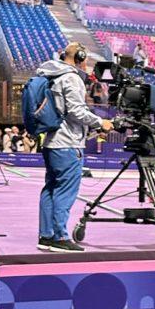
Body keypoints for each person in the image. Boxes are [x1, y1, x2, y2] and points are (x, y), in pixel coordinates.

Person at [35, 44, 114, 252]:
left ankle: (46, 236)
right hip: (68, 143)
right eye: (85, 59)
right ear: (80, 57)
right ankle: (60, 237)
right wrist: (100, 122)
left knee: (50, 189)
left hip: (52, 142)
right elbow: (76, 112)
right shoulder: (71, 78)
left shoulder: (52, 75)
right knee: (64, 191)